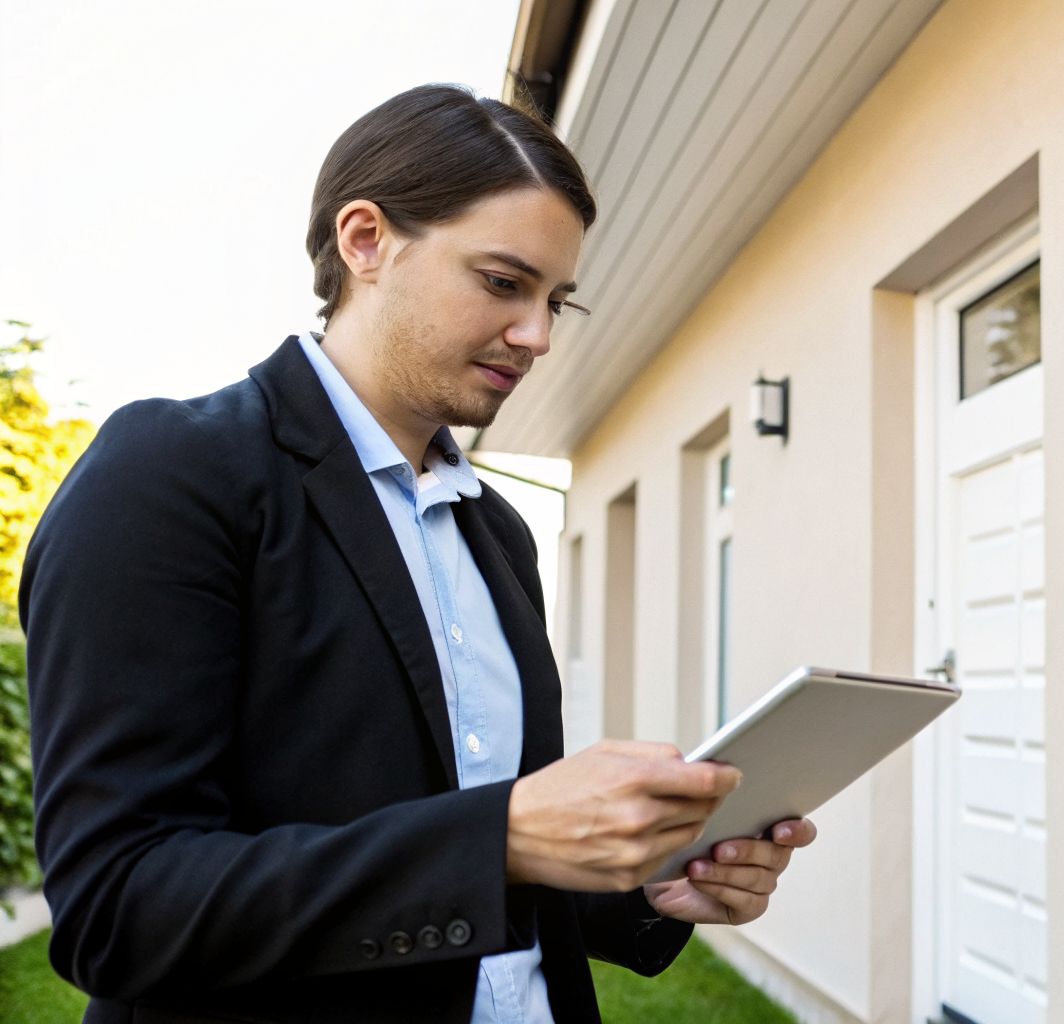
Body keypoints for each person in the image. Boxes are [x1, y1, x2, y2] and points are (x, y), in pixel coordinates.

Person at [21, 83, 815, 1023]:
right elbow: (119, 907)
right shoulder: (172, 473)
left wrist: (647, 888)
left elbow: (480, 858)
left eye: (558, 300)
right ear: (365, 241)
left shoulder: (498, 532)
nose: (539, 336)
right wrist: (501, 836)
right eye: (503, 282)